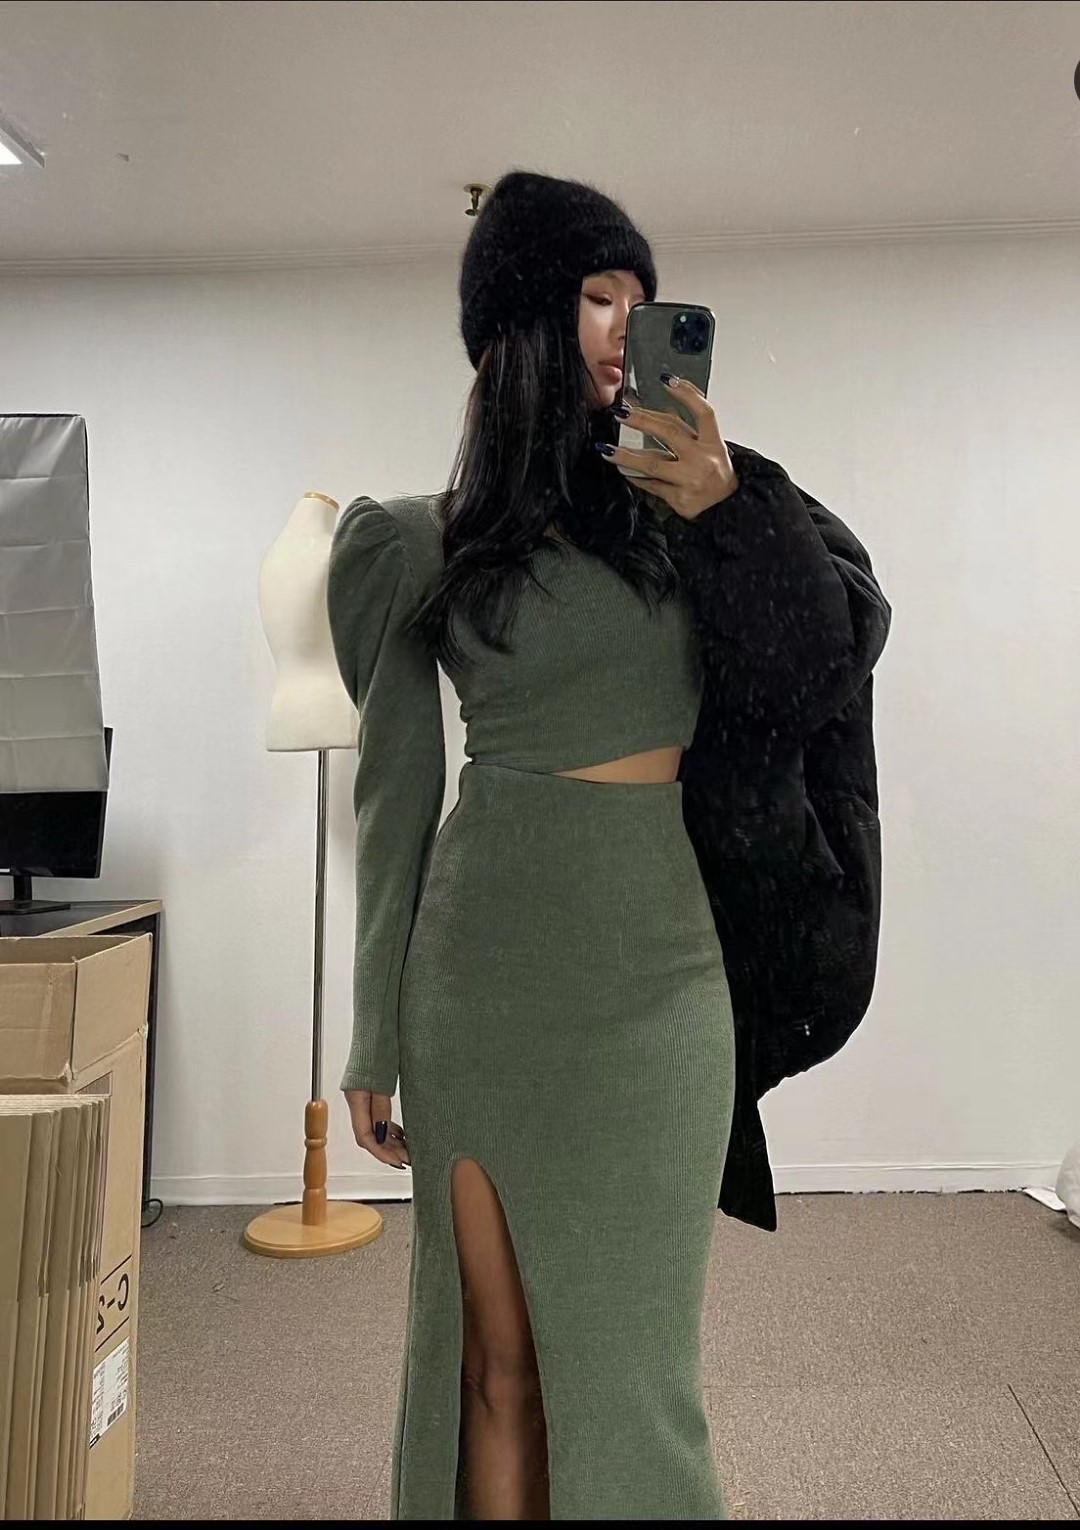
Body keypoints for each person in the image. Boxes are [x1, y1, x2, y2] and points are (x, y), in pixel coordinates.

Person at [326, 170, 871, 1521]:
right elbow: (395, 799)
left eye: (642, 297)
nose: (628, 325)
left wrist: (728, 511)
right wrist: (371, 1035)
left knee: (635, 1379)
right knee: (497, 1367)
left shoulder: (698, 512)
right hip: (482, 985)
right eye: (596, 295)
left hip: (662, 982)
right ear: (523, 320)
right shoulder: (419, 544)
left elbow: (820, 669)